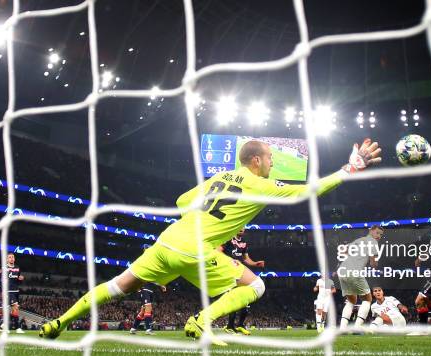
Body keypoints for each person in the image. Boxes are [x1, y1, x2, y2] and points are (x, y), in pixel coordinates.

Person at [39, 138, 381, 345]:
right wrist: (347, 170)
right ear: (256, 161)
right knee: (256, 286)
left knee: (118, 285)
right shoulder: (258, 184)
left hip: (167, 241)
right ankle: (201, 321)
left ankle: (59, 323)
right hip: (194, 248)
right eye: (271, 159)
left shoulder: (217, 176)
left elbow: (180, 202)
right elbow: (308, 191)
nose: (274, 164)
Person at [219, 229, 265, 335]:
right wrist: (228, 261)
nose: (242, 228)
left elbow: (246, 259)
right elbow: (218, 251)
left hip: (241, 271)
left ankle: (240, 325)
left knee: (245, 300)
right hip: (230, 272)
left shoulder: (243, 242)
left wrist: (255, 263)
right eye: (240, 226)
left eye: (244, 227)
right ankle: (230, 326)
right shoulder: (228, 238)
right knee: (235, 299)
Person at [337, 226, 383, 330]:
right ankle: (357, 327)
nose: (379, 236)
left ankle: (342, 328)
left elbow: (344, 250)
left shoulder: (359, 240)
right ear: (370, 231)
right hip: (354, 271)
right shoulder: (373, 242)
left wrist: (355, 256)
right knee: (368, 299)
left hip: (343, 270)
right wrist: (375, 264)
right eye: (377, 233)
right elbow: (373, 263)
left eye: (381, 235)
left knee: (351, 300)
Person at [7, 253, 25, 334]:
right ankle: (17, 328)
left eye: (12, 257)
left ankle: (3, 325)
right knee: (15, 307)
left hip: (16, 291)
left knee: (15, 310)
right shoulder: (4, 268)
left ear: (14, 259)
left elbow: (18, 280)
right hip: (8, 291)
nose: (11, 258)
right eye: (9, 257)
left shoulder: (17, 268)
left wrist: (20, 279)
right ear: (7, 259)